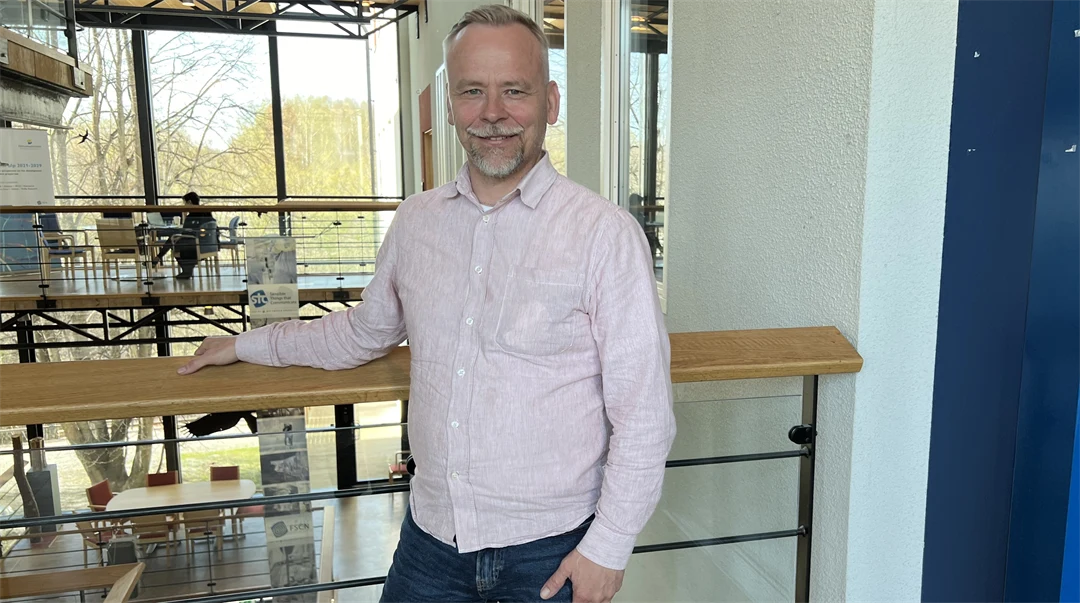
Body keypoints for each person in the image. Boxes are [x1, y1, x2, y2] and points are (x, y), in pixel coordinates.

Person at [178, 6, 675, 603]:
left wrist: (609, 547)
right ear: (451, 106)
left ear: (550, 102)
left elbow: (644, 412)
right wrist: (245, 344)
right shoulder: (416, 223)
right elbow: (363, 332)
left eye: (514, 91)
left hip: (553, 551)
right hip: (432, 543)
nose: (492, 112)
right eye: (472, 91)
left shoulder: (603, 234)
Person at [152, 191, 217, 279]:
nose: (184, 205)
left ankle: (185, 270)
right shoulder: (206, 211)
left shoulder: (192, 215)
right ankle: (160, 259)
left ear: (189, 202)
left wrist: (182, 231)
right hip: (208, 243)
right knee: (174, 239)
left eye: (185, 203)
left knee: (173, 243)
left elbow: (187, 230)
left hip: (196, 243)